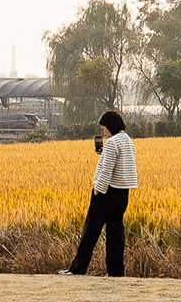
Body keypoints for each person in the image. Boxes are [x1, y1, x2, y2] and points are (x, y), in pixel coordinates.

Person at [59, 110, 138, 278]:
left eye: (104, 128)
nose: (104, 132)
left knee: (90, 231)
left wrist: (97, 189)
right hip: (123, 193)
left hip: (106, 193)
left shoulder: (112, 142)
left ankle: (78, 269)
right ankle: (116, 272)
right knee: (115, 234)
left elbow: (107, 170)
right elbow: (121, 165)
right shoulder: (128, 141)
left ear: (110, 126)